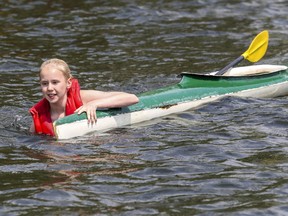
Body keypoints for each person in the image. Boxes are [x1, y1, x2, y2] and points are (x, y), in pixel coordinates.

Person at [29, 58, 139, 136]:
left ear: (68, 83)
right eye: (44, 83)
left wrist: (94, 104)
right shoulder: (38, 118)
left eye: (55, 82)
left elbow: (132, 98)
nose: (49, 88)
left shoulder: (83, 97)